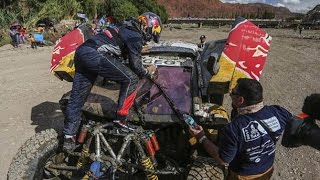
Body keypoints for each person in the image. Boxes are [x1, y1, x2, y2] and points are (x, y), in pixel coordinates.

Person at [63, 12, 162, 152]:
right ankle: (120, 119)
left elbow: (117, 57)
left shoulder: (123, 26)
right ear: (149, 27)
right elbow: (136, 67)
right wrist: (147, 73)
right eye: (151, 35)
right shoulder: (135, 35)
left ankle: (69, 137)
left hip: (81, 53)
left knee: (77, 99)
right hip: (95, 54)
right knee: (131, 79)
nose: (149, 39)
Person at [189, 78, 293, 180]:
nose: (230, 95)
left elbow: (223, 160)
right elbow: (297, 123)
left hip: (243, 176)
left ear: (241, 99)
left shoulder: (233, 129)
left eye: (232, 93)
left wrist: (201, 137)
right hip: (267, 169)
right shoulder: (279, 112)